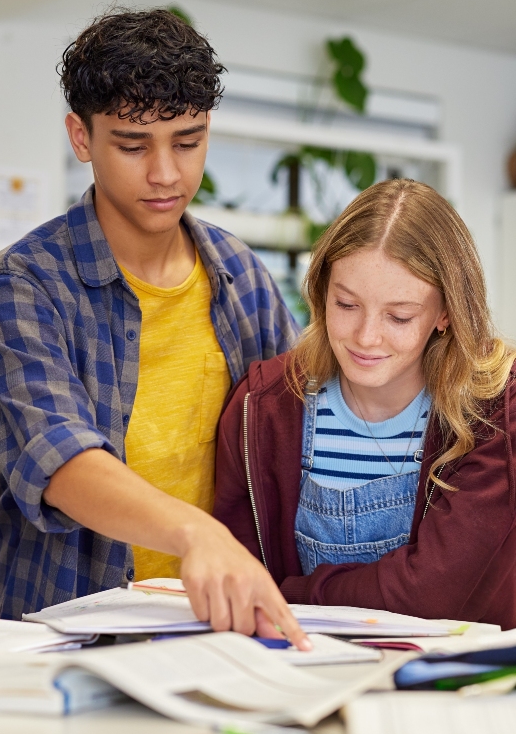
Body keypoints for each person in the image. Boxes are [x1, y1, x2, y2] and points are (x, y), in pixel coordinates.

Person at [0, 8, 309, 647]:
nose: (166, 174)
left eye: (188, 142)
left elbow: (298, 429)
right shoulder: (26, 280)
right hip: (60, 628)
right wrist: (198, 533)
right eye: (132, 145)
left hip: (206, 626)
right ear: (81, 138)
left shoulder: (240, 274)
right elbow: (62, 463)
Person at [214, 178, 516, 628]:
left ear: (446, 313)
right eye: (347, 304)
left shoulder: (496, 410)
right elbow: (236, 575)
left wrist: (293, 596)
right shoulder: (261, 408)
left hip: (443, 688)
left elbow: (433, 591)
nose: (366, 338)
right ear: (320, 292)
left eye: (399, 316)